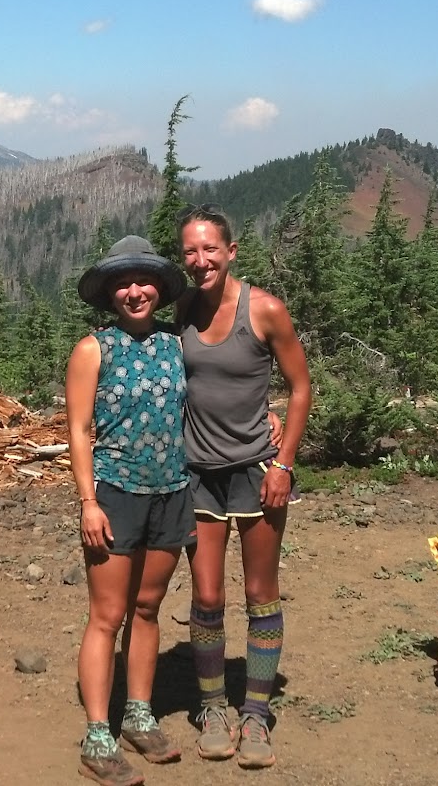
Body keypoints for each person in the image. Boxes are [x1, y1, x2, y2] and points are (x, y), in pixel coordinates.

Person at [175, 205, 311, 770]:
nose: (200, 259)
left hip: (257, 469)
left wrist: (283, 465)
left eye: (210, 248)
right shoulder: (182, 309)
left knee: (261, 592)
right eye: (190, 251)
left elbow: (300, 387)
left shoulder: (265, 310)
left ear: (231, 252)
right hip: (197, 472)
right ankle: (213, 707)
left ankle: (255, 713)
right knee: (207, 596)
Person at [66, 235, 193, 786]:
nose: (135, 291)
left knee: (147, 608)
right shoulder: (93, 349)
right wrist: (88, 502)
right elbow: (79, 430)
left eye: (144, 282)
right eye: (123, 283)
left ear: (160, 289)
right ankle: (99, 736)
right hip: (115, 493)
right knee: (107, 615)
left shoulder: (177, 344)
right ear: (110, 294)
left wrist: (268, 418)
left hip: (172, 492)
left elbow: (214, 398)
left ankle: (139, 714)